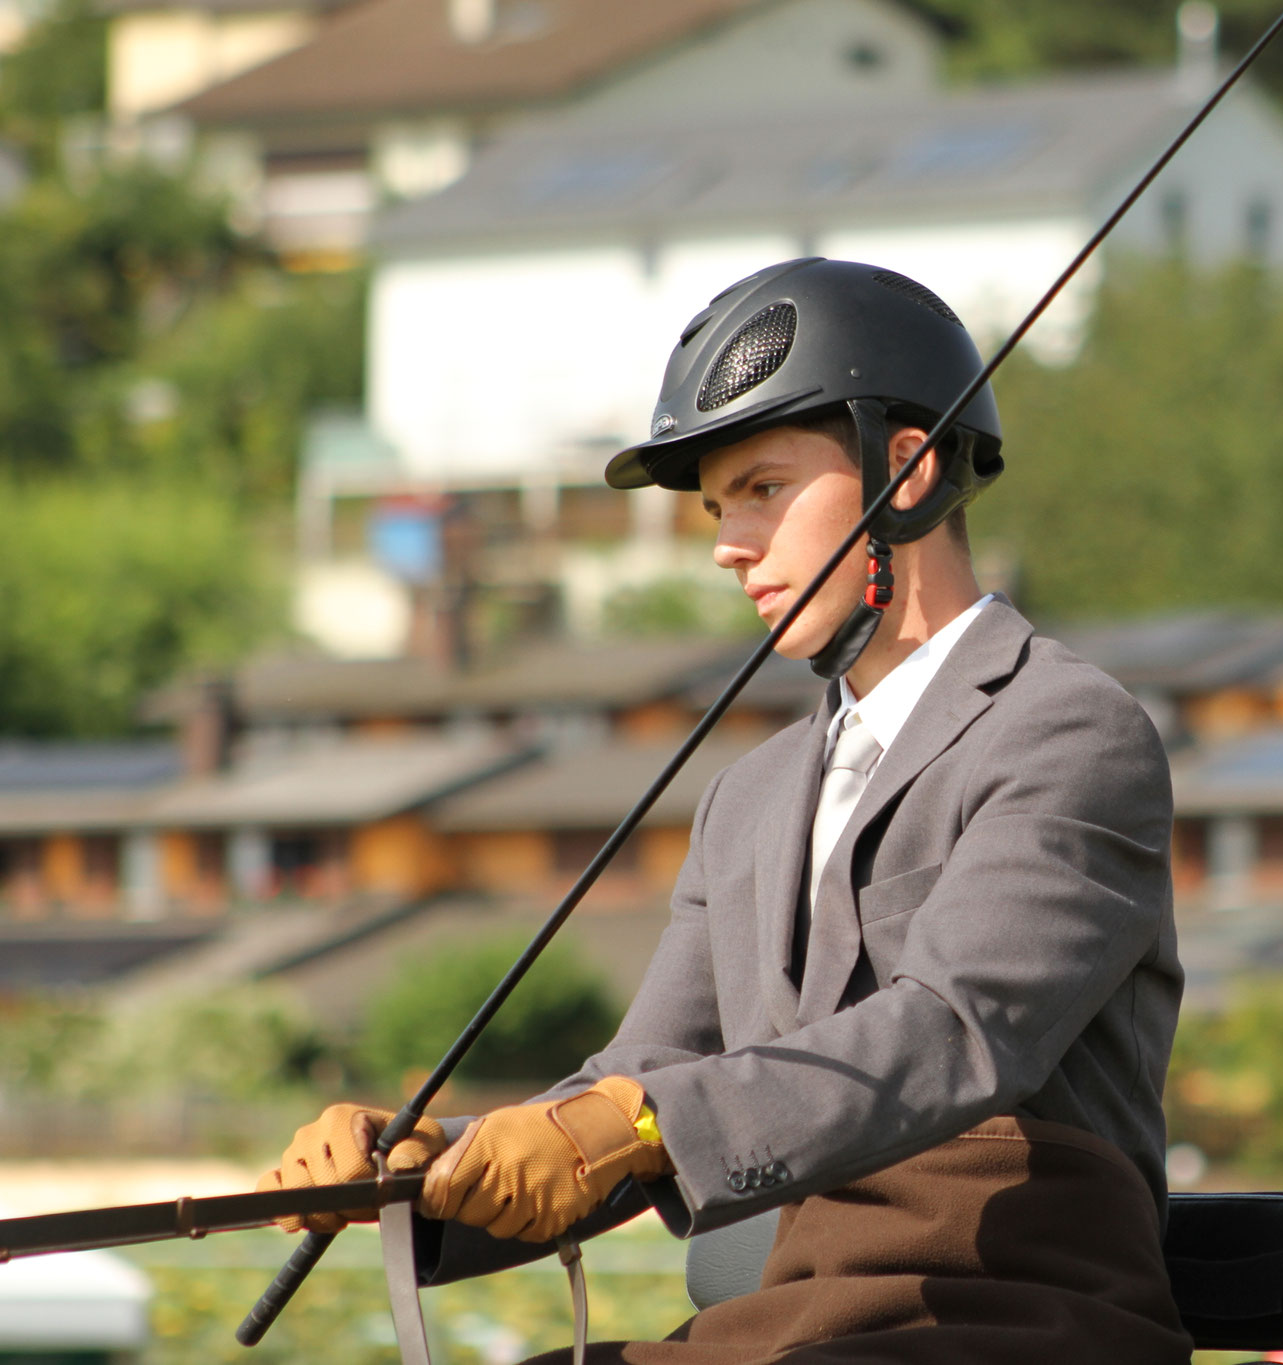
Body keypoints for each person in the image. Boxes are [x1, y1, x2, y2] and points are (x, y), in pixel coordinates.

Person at [259, 258, 1192, 1364]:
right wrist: (416, 1166)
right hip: (795, 1319)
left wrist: (631, 1128)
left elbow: (954, 1030)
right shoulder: (748, 799)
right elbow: (636, 1079)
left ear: (905, 470)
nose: (724, 543)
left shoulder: (1065, 727)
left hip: (1017, 1314)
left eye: (762, 488)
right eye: (715, 507)